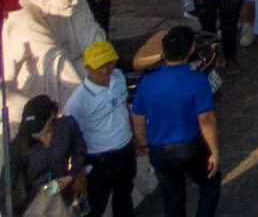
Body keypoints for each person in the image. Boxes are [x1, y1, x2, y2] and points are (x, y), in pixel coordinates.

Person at [129, 27, 218, 217]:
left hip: (160, 150)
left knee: (172, 197)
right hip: (190, 146)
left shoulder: (147, 82)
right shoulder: (198, 80)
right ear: (191, 49)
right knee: (210, 184)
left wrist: (143, 143)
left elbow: (138, 119)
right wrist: (214, 151)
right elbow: (206, 119)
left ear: (163, 51)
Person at [66, 39, 134, 217]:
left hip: (126, 151)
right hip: (100, 160)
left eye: (109, 63)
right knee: (97, 205)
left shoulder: (118, 77)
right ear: (88, 68)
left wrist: (135, 136)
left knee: (124, 196)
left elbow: (124, 105)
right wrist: (78, 171)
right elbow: (73, 138)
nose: (106, 70)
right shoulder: (77, 103)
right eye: (99, 66)